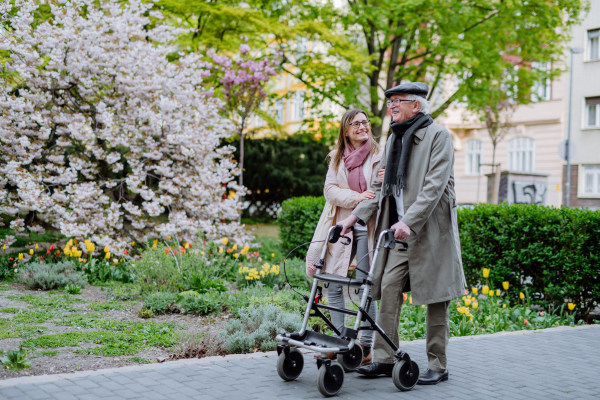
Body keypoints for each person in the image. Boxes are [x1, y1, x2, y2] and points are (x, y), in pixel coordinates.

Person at [337, 82, 466, 385]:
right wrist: (355, 216)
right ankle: (384, 358)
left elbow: (434, 187)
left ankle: (438, 363)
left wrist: (409, 220)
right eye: (390, 102)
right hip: (399, 234)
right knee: (388, 288)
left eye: (397, 101)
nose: (391, 106)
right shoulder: (395, 140)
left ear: (416, 106)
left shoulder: (439, 136)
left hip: (431, 233)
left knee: (437, 298)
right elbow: (381, 188)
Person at [320, 108, 381, 366]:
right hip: (342, 226)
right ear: (345, 129)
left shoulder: (379, 156)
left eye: (365, 123)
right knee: (332, 284)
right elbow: (330, 191)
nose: (361, 127)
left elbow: (379, 191)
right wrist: (357, 197)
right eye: (355, 124)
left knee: (366, 288)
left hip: (367, 227)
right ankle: (337, 340)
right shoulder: (336, 157)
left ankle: (365, 347)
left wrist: (366, 197)